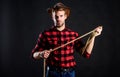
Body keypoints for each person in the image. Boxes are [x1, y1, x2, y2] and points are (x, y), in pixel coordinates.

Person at [32, 2, 103, 77]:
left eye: (61, 16)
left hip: (69, 73)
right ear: (52, 17)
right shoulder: (45, 34)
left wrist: (93, 36)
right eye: (56, 16)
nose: (58, 19)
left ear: (65, 16)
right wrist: (41, 54)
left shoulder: (73, 35)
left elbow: (86, 54)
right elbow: (34, 54)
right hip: (52, 73)